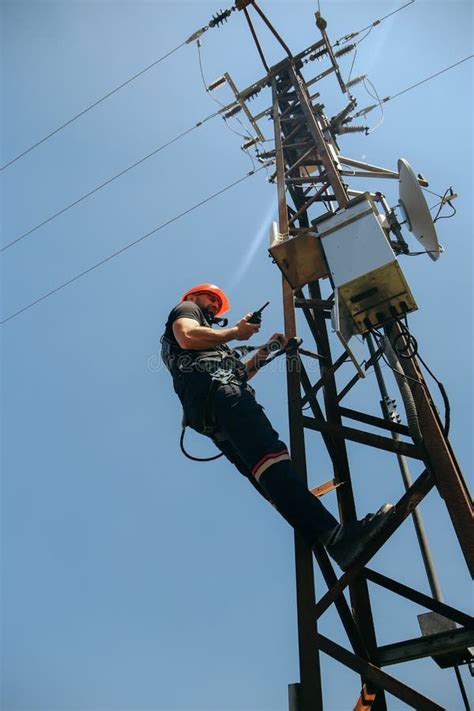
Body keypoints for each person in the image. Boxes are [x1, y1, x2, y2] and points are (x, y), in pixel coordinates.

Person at [161, 283, 394, 570]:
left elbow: (239, 373)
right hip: (220, 396)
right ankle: (339, 539)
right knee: (272, 460)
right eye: (211, 300)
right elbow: (186, 336)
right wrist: (235, 332)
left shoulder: (211, 343)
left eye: (216, 304)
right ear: (193, 297)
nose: (213, 306)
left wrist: (268, 349)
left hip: (211, 410)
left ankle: (331, 539)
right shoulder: (187, 311)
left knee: (267, 475)